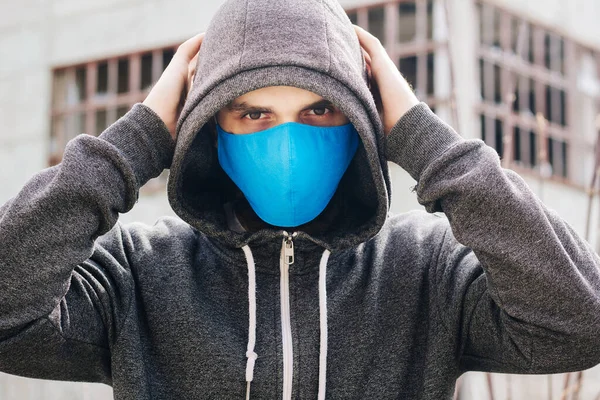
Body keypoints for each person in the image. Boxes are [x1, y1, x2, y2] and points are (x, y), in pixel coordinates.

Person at [1, 0, 600, 399]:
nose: (287, 141)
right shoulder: (135, 273)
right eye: (252, 113)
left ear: (365, 122)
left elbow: (579, 323)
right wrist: (138, 141)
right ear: (211, 127)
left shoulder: (427, 271)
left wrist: (422, 135)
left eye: (319, 109)